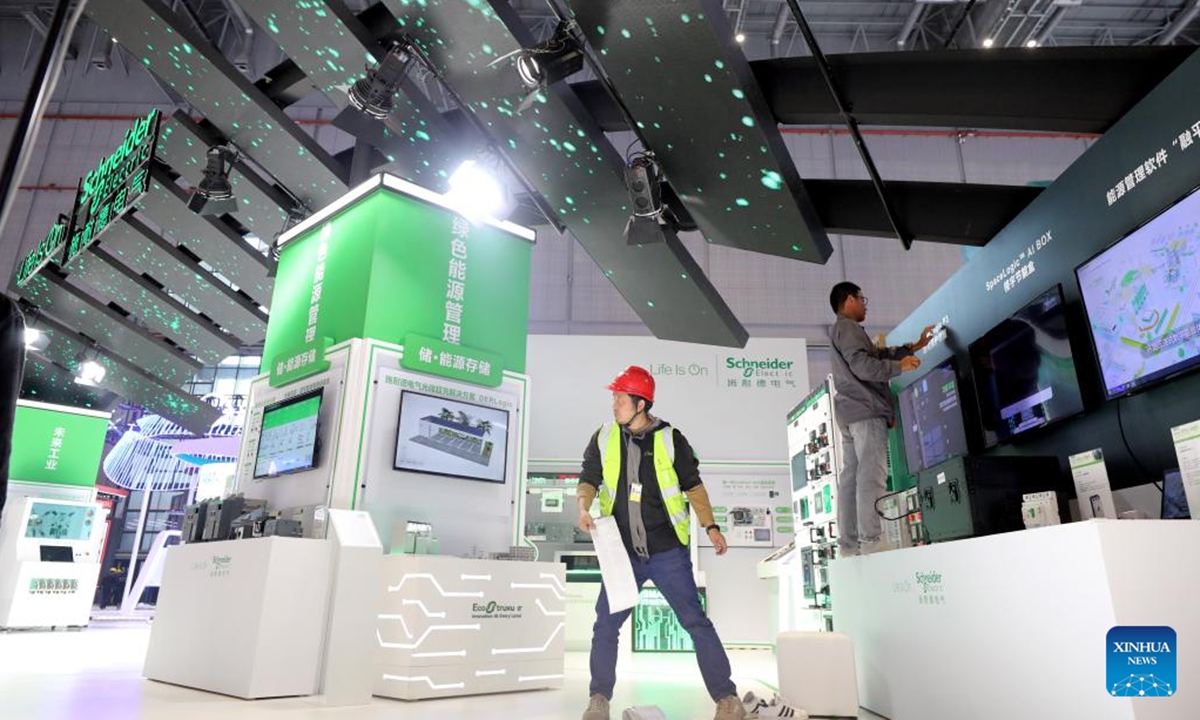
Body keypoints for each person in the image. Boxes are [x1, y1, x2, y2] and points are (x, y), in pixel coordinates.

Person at [576, 366, 744, 720]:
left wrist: (711, 527)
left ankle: (728, 699)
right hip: (623, 555)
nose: (614, 404)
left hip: (667, 553)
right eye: (614, 398)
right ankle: (599, 698)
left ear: (641, 404)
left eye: (621, 399)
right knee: (606, 625)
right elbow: (589, 477)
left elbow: (693, 486)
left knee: (696, 622)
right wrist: (583, 507)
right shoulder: (604, 436)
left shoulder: (671, 439)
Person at [829, 282, 934, 556]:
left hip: (849, 413)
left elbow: (876, 354)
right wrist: (899, 366)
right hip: (865, 410)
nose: (865, 305)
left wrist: (914, 346)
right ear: (849, 299)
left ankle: (849, 546)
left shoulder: (840, 331)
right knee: (871, 476)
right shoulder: (849, 328)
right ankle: (872, 541)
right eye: (862, 299)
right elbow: (864, 366)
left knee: (852, 478)